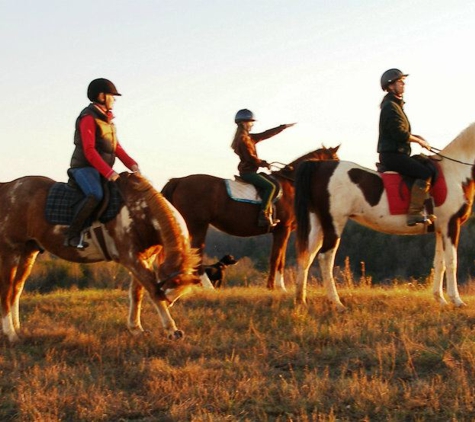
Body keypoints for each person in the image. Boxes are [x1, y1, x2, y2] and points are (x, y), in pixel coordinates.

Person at [64, 78, 140, 248]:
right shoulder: (88, 118)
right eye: (112, 96)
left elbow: (117, 148)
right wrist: (109, 173)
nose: (114, 99)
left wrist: (133, 165)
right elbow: (89, 150)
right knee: (95, 194)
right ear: (101, 96)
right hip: (84, 168)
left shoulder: (108, 122)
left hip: (100, 169)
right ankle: (72, 234)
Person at [377, 69, 434, 226]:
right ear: (390, 86)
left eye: (403, 82)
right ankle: (414, 213)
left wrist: (418, 137)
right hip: (392, 155)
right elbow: (400, 134)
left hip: (397, 153)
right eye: (400, 82)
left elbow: (400, 131)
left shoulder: (395, 106)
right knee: (425, 173)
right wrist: (419, 141)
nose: (403, 84)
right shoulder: (390, 107)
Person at [231, 109, 295, 228]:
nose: (252, 124)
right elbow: (250, 158)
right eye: (251, 122)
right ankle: (263, 214)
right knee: (271, 186)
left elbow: (266, 134)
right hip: (248, 173)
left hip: (251, 171)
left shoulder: (248, 137)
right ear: (244, 123)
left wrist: (283, 127)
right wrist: (264, 164)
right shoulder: (243, 139)